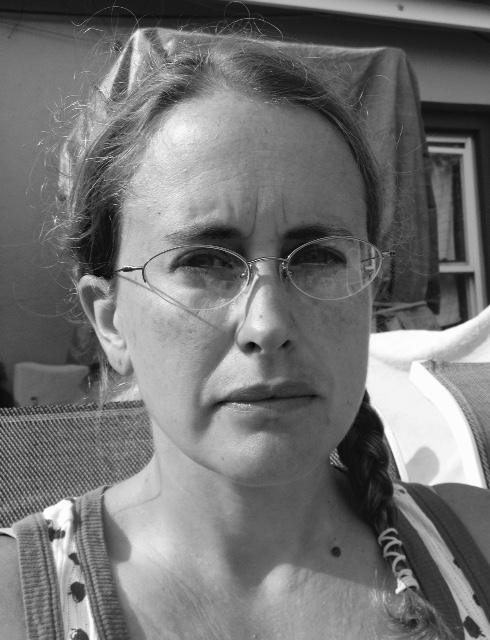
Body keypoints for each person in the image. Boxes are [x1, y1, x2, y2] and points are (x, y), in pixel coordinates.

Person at [1, 29, 489, 640]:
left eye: (318, 257)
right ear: (110, 320)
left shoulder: (475, 543)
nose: (268, 324)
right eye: (204, 261)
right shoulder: (15, 602)